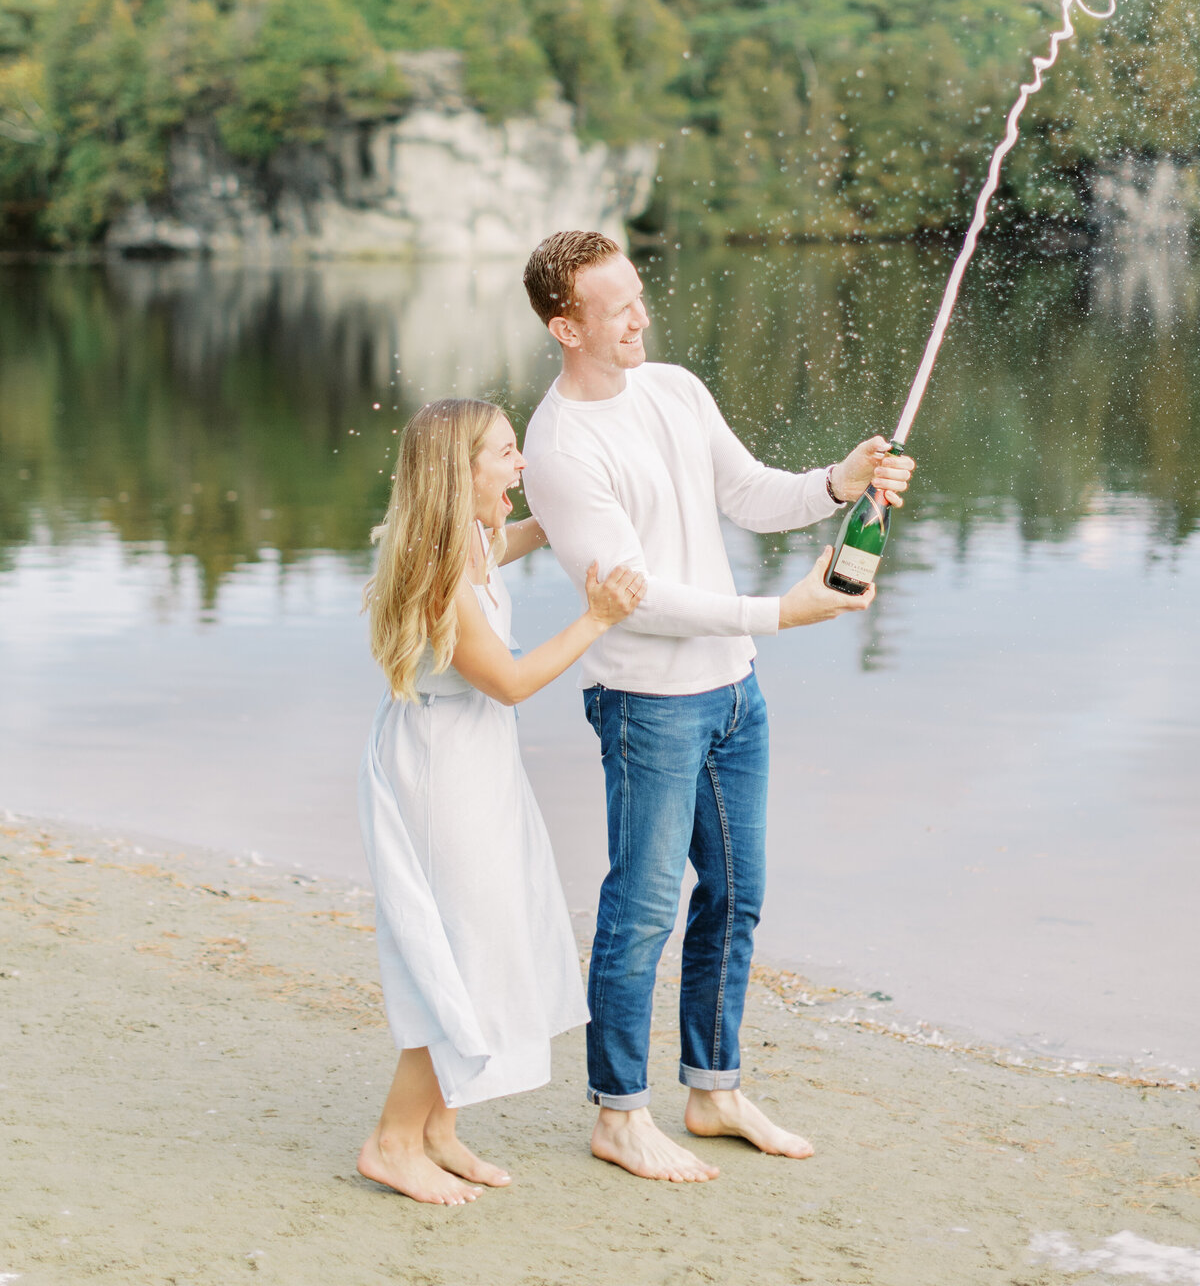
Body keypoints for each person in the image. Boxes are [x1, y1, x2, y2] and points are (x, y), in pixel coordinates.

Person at [520, 231, 916, 1184]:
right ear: (564, 326)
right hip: (645, 705)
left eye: (639, 297)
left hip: (734, 694)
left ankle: (713, 1091)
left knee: (736, 896)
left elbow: (748, 495)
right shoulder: (559, 449)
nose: (639, 320)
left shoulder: (675, 387)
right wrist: (781, 612)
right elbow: (637, 597)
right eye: (617, 311)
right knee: (643, 909)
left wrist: (838, 482)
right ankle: (618, 1113)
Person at [357, 396, 645, 1205]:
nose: (520, 466)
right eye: (508, 454)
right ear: (461, 471)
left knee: (489, 935)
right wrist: (598, 617)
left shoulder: (474, 539)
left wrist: (570, 501)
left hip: (476, 761)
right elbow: (512, 682)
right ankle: (391, 1141)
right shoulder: (440, 574)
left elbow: (518, 538)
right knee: (459, 952)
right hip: (441, 768)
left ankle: (439, 1130)